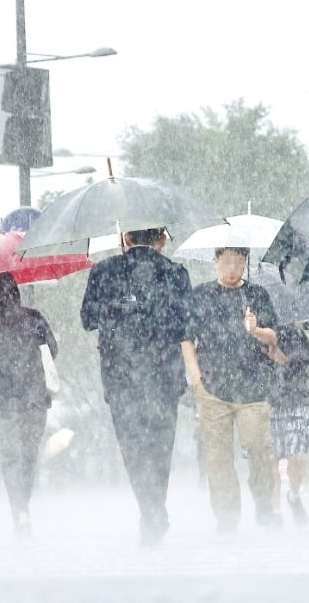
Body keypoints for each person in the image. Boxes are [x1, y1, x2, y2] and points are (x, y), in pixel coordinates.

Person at [81, 227, 191, 546]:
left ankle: (150, 509)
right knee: (160, 448)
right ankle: (154, 508)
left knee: (134, 449)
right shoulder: (175, 273)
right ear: (161, 240)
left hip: (121, 378)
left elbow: (88, 319)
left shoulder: (103, 272)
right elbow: (186, 323)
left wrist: (117, 307)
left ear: (126, 239)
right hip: (164, 377)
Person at [182, 247, 281, 533]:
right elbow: (186, 338)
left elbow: (274, 336)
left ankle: (264, 505)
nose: (232, 268)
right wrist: (196, 378)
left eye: (238, 262)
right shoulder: (200, 295)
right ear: (215, 262)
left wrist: (256, 330)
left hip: (254, 387)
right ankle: (226, 517)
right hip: (213, 388)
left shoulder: (257, 295)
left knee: (258, 447)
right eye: (226, 262)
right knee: (218, 457)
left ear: (245, 263)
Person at [0, 272, 57, 537]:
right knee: (29, 457)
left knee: (10, 459)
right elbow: (53, 349)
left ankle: (20, 511)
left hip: (2, 401)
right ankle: (23, 507)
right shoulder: (33, 317)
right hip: (34, 398)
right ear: (15, 290)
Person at [268, 323, 309, 526]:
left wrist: (287, 361)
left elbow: (308, 368)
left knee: (298, 459)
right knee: (270, 462)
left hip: (294, 403)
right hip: (264, 403)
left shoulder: (296, 334)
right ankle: (275, 512)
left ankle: (294, 496)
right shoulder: (254, 331)